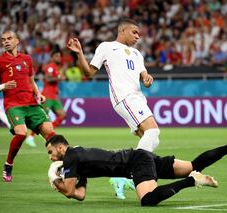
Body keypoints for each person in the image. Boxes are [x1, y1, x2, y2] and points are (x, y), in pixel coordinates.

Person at [66, 18, 160, 199]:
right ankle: (135, 176)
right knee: (153, 131)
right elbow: (89, 73)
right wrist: (79, 54)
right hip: (124, 98)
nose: (138, 36)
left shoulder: (137, 54)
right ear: (122, 31)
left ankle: (121, 176)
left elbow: (144, 76)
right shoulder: (106, 47)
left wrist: (148, 80)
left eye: (139, 34)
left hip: (138, 98)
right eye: (134, 32)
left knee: (150, 141)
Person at [46, 134, 227, 206]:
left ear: (61, 147)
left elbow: (67, 190)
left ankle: (193, 181)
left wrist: (53, 179)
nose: (51, 157)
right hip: (140, 157)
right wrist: (65, 183)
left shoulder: (71, 156)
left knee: (147, 200)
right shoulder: (77, 160)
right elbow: (79, 195)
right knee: (192, 165)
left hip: (135, 163)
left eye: (51, 152)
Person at [0, 30, 56, 182]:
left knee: (51, 134)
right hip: (14, 105)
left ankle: (61, 166)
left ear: (17, 40)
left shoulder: (27, 58)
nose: (6, 41)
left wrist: (38, 94)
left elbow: (31, 81)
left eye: (9, 38)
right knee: (21, 133)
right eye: (3, 40)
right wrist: (3, 86)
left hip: (31, 104)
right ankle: (9, 164)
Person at [25, 50, 66, 147]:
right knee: (42, 119)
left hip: (54, 97)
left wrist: (56, 89)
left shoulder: (56, 68)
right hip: (47, 96)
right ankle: (30, 137)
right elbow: (47, 79)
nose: (59, 58)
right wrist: (58, 78)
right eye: (57, 56)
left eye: (60, 56)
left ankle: (50, 132)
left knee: (62, 115)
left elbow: (53, 81)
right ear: (52, 58)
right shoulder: (50, 67)